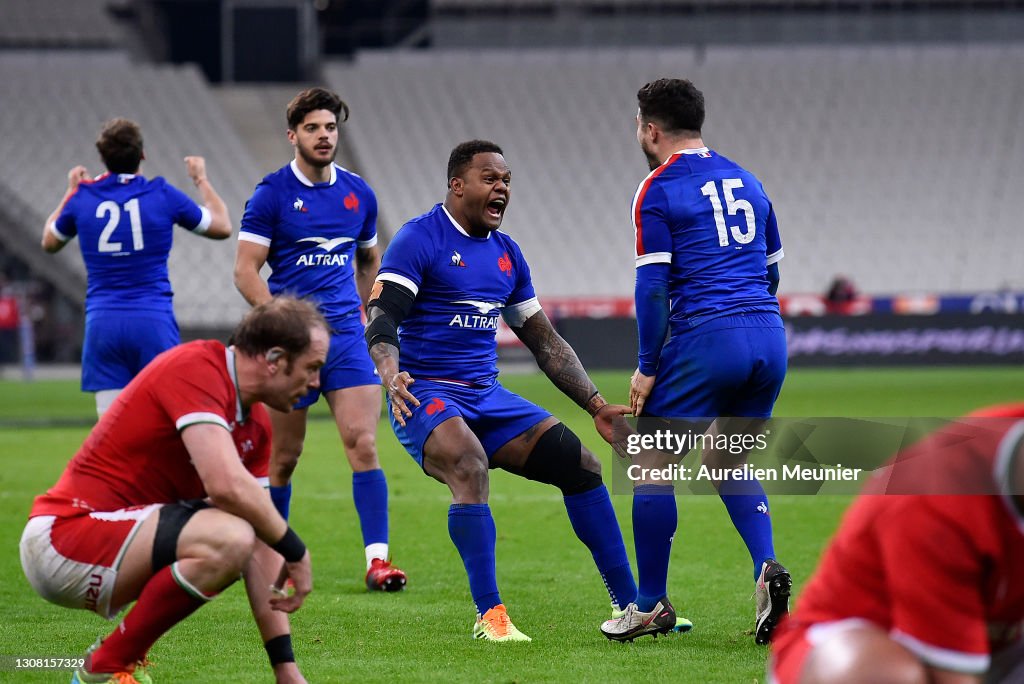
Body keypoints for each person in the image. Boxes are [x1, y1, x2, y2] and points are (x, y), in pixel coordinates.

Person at [365, 139, 653, 642]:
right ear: (457, 185)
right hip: (424, 393)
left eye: (507, 181)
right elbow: (382, 317)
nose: (502, 189)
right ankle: (490, 617)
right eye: (490, 179)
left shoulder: (507, 254)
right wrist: (391, 375)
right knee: (470, 464)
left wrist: (594, 405)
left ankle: (632, 606)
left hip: (487, 396)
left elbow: (544, 341)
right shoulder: (419, 239)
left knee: (581, 466)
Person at [20, 296, 326, 684]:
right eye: (311, 368)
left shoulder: (257, 426)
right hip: (63, 536)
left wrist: (285, 667)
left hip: (115, 542)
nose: (316, 382)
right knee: (229, 536)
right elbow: (226, 486)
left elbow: (262, 543)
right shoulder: (198, 366)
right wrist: (296, 550)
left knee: (244, 533)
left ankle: (113, 665)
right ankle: (108, 666)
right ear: (275, 358)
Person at [601, 78, 790, 643]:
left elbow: (653, 289)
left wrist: (646, 365)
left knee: (651, 465)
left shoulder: (656, 189)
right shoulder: (748, 180)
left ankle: (648, 604)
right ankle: (765, 569)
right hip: (768, 336)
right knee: (729, 463)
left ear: (650, 129)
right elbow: (772, 271)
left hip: (708, 339)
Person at [234, 87, 406, 591]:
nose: (324, 135)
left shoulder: (358, 194)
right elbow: (245, 270)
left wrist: (366, 310)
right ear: (293, 135)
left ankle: (378, 561)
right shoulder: (271, 194)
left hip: (347, 341)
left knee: (364, 444)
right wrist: (278, 321)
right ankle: (276, 557)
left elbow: (371, 259)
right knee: (284, 459)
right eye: (313, 128)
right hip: (289, 349)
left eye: (330, 127)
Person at [769, 405, 1024, 684]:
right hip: (873, 642)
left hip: (1002, 641)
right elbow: (953, 676)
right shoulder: (934, 494)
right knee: (881, 674)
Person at [41, 118, 232, 416]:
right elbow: (222, 226)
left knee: (111, 434)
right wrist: (200, 180)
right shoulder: (161, 194)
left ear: (102, 157)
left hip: (103, 323)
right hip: (152, 321)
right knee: (164, 424)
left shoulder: (83, 198)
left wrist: (71, 190)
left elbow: (49, 241)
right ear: (142, 154)